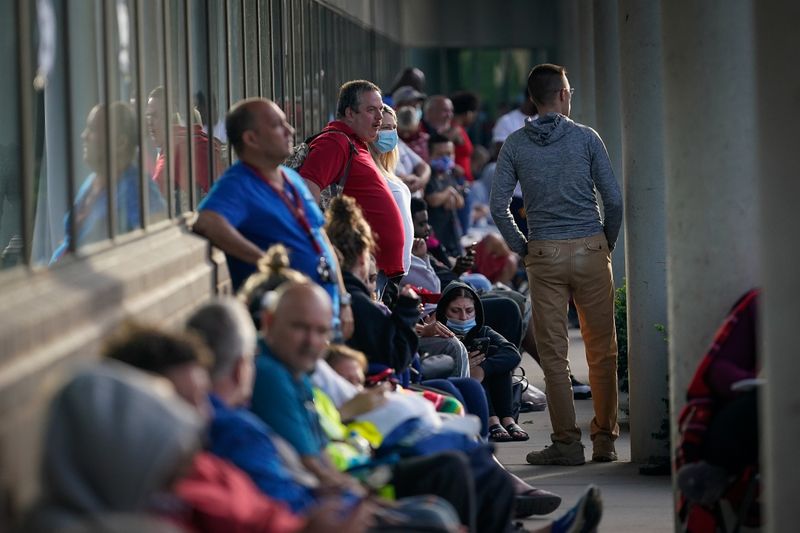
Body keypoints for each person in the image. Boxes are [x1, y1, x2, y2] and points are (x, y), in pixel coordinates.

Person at [490, 63, 623, 465]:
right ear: (564, 94)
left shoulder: (514, 143)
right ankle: (604, 441)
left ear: (532, 99)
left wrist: (524, 247)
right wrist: (605, 241)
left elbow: (499, 206)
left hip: (544, 252)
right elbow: (613, 199)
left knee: (553, 355)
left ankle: (566, 444)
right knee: (603, 350)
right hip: (590, 248)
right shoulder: (586, 138)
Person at [192, 98, 353, 339]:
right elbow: (207, 222)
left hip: (326, 315)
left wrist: (343, 299)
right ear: (251, 139)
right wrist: (266, 262)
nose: (291, 130)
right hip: (289, 328)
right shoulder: (238, 183)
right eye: (278, 125)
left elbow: (319, 236)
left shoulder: (291, 178)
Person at [298, 80, 406, 281]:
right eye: (371, 110)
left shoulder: (354, 142)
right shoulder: (335, 142)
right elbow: (305, 193)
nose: (379, 118)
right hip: (361, 271)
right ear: (350, 113)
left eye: (381, 110)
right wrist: (327, 247)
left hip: (375, 271)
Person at [50, 102, 165, 263]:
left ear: (120, 142)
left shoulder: (137, 189)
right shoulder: (93, 181)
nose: (84, 135)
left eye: (92, 129)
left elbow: (158, 248)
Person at [435, 282, 527, 442]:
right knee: (477, 362)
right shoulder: (438, 337)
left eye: (469, 311)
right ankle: (492, 420)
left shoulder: (483, 331)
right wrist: (464, 365)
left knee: (494, 354)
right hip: (459, 390)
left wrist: (484, 368)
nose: (463, 317)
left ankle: (508, 419)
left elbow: (512, 353)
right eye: (455, 311)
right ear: (444, 311)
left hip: (492, 384)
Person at [145, 86, 224, 212]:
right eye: (148, 117)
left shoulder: (175, 151)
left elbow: (150, 207)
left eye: (155, 116)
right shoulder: (204, 141)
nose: (149, 123)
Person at [368, 104, 414, 276]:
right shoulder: (368, 170)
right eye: (385, 128)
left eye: (394, 127)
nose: (391, 133)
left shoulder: (388, 170)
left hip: (398, 273)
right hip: (384, 273)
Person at [424, 133, 465, 258]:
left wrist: (450, 195)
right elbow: (433, 200)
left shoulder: (450, 175)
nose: (445, 158)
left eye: (448, 154)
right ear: (430, 155)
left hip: (452, 235)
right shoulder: (428, 175)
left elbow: (460, 202)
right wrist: (449, 192)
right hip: (434, 237)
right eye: (440, 154)